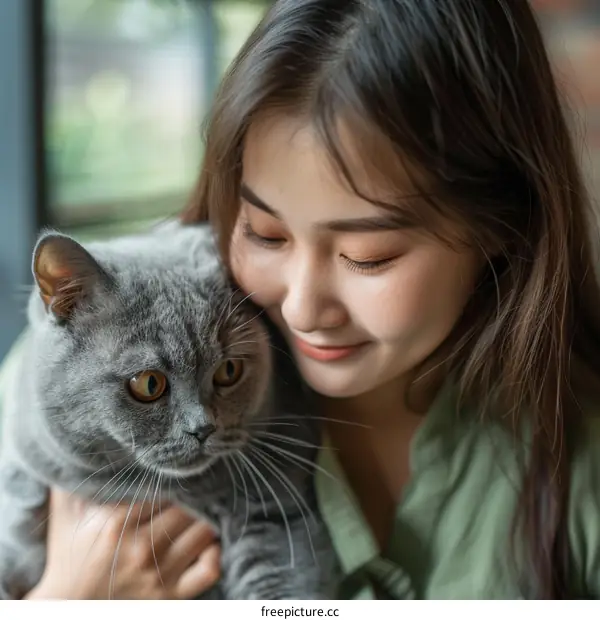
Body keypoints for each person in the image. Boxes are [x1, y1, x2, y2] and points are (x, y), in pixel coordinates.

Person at [1, 0, 600, 600]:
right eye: (265, 233)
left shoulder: (576, 468)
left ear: (501, 225)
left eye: (369, 255)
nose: (302, 311)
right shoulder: (59, 363)